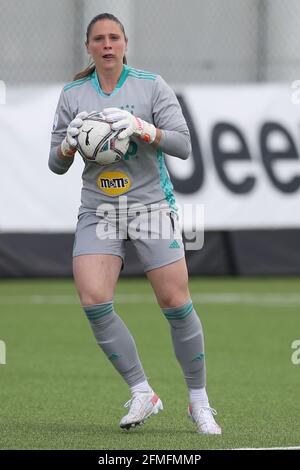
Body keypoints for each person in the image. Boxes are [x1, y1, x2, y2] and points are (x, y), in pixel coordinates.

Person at [49, 12, 221, 435]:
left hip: (150, 207)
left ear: (125, 43)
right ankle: (143, 391)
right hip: (99, 210)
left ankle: (199, 401)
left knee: (175, 304)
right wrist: (69, 146)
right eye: (99, 39)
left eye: (114, 38)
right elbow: (54, 163)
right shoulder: (73, 94)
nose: (107, 45)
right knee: (93, 298)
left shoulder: (151, 85)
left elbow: (182, 144)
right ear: (88, 47)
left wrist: (145, 129)